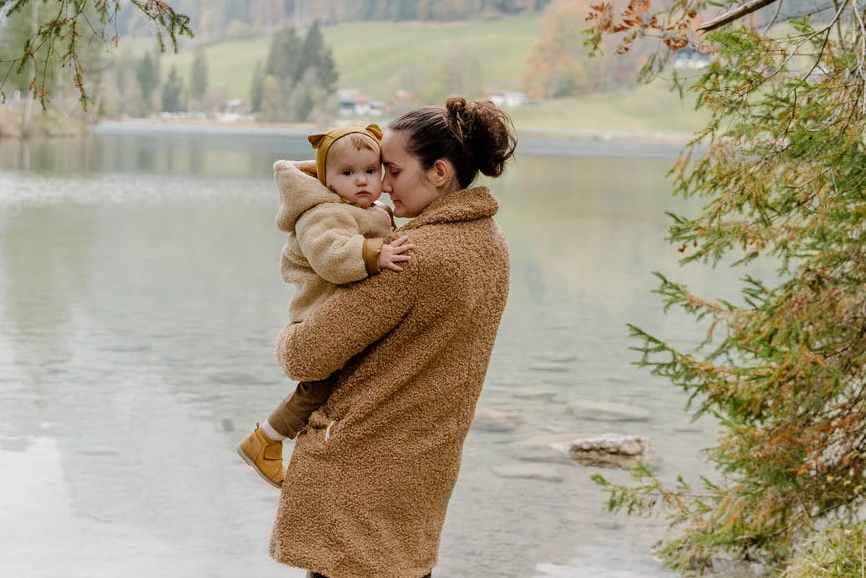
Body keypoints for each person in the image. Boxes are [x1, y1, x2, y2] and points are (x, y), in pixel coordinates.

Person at [269, 97, 517, 578]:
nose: (381, 185)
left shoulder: (410, 257)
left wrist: (292, 331)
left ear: (439, 172)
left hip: (360, 479)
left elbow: (306, 357)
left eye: (394, 171)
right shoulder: (491, 244)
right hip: (423, 474)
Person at [237, 124, 413, 489]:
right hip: (319, 314)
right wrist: (375, 254)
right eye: (348, 173)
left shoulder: (368, 208)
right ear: (327, 178)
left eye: (370, 171)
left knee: (337, 386)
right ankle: (265, 440)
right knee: (318, 388)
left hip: (345, 313)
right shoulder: (322, 213)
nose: (362, 181)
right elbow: (332, 256)